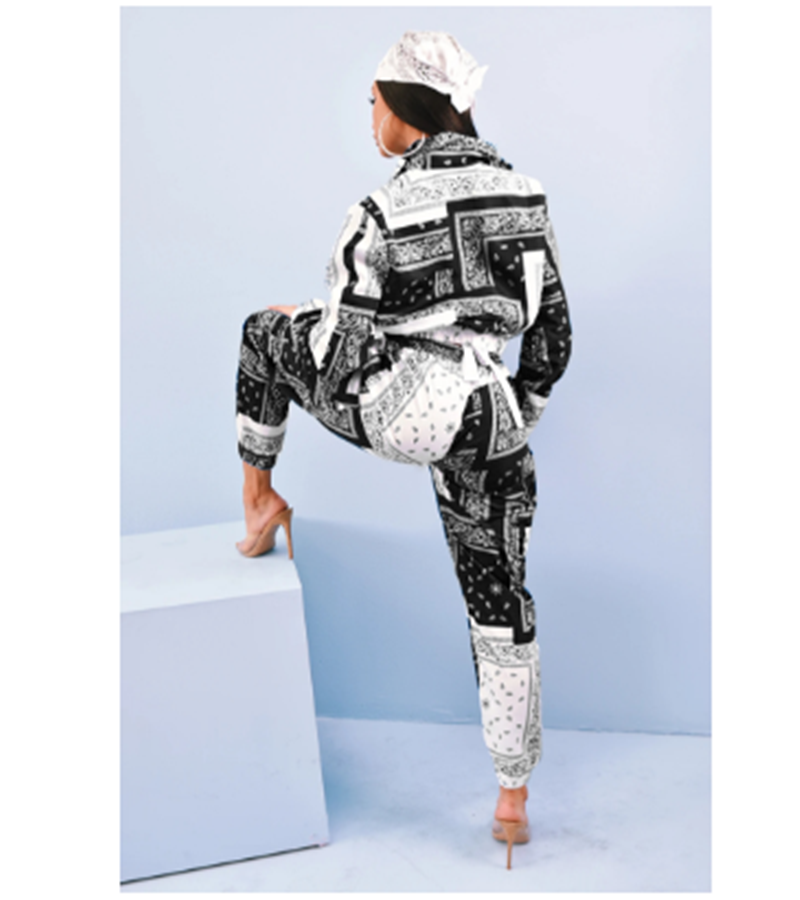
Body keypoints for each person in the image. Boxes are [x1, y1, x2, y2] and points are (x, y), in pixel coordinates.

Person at [234, 30, 571, 869]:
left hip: (405, 412)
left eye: (375, 103)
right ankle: (512, 796)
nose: (371, 118)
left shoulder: (381, 211)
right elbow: (553, 338)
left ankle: (259, 500)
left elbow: (340, 357)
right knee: (499, 599)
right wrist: (515, 415)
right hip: (491, 419)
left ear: (406, 111)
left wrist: (301, 324)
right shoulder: (527, 195)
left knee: (263, 332)